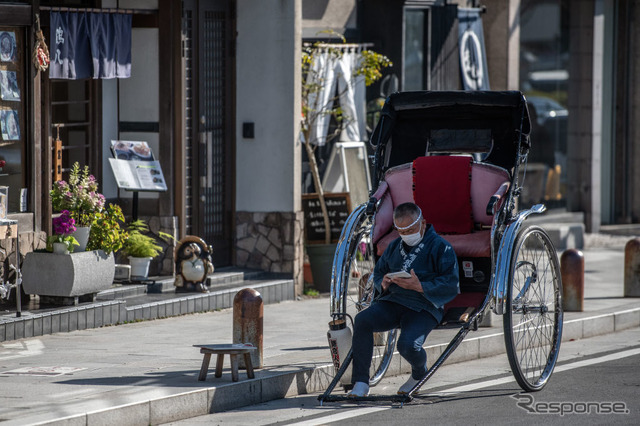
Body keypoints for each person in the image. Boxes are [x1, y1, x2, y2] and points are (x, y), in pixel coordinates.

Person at [348, 202, 459, 397]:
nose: (406, 234)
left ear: (423, 223)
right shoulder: (394, 246)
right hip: (394, 300)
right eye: (401, 230)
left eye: (411, 229)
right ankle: (361, 382)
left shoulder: (441, 247)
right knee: (362, 320)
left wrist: (421, 286)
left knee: (407, 345)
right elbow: (378, 272)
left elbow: (451, 283)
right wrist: (382, 283)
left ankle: (419, 373)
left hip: (424, 306)